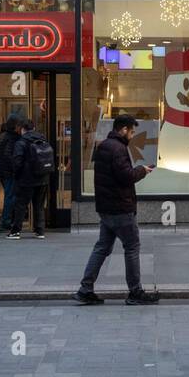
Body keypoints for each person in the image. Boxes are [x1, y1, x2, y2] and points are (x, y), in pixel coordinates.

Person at [74, 114, 159, 306]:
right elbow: (126, 176)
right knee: (132, 247)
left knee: (102, 247)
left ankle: (85, 289)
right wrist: (142, 170)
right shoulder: (119, 149)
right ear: (123, 130)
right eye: (132, 131)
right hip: (121, 208)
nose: (133, 134)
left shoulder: (104, 145)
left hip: (106, 208)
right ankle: (135, 291)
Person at [9, 120, 53, 239]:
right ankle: (40, 231)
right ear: (34, 127)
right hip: (43, 178)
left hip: (26, 179)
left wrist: (16, 175)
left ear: (23, 129)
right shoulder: (43, 140)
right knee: (38, 205)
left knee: (21, 204)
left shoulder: (21, 142)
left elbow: (17, 162)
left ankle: (15, 231)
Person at [0, 115, 22, 235]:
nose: (20, 128)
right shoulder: (14, 138)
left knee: (10, 195)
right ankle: (5, 223)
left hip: (1, 170)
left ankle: (9, 220)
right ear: (15, 126)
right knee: (10, 196)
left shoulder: (2, 136)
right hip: (9, 172)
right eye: (19, 126)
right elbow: (10, 157)